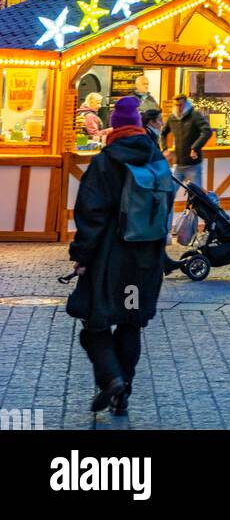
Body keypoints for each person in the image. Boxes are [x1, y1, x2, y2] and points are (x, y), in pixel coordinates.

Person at [66, 96, 170, 417]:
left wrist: (81, 255)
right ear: (139, 126)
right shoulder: (157, 160)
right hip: (143, 265)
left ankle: (111, 378)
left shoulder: (106, 161)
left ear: (115, 126)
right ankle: (121, 392)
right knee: (130, 323)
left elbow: (91, 213)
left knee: (94, 325)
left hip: (109, 262)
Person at [161, 93, 211, 187]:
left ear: (186, 104)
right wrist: (164, 148)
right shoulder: (172, 118)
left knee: (196, 195)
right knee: (169, 192)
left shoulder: (194, 115)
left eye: (180, 105)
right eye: (176, 105)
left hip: (193, 164)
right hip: (178, 163)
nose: (178, 108)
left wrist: (195, 148)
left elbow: (207, 131)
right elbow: (163, 133)